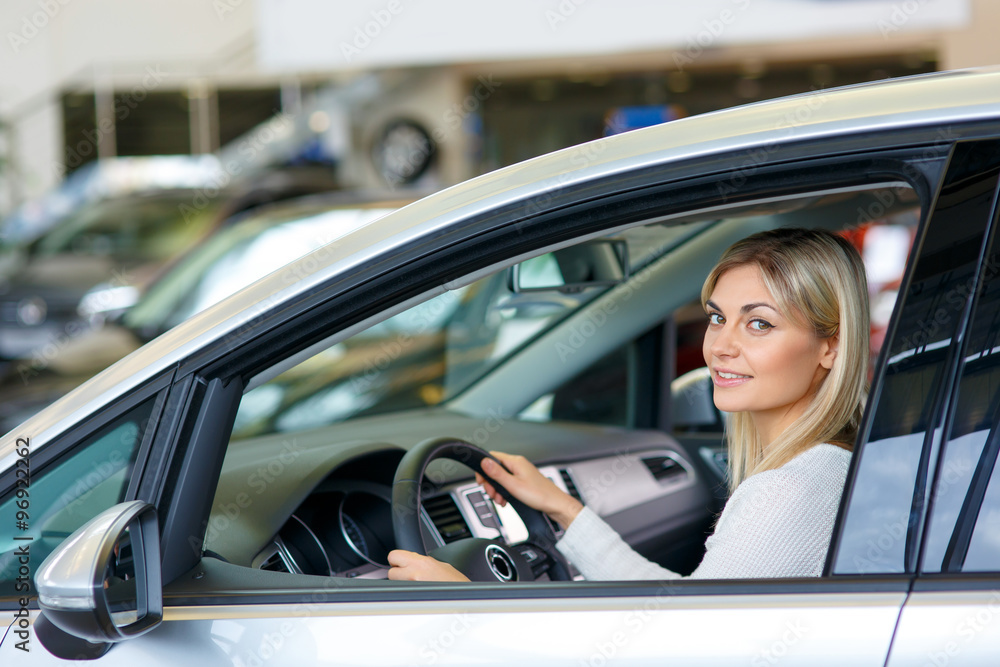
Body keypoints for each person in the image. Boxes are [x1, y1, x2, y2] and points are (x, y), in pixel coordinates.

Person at [387, 227, 869, 581]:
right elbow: (684, 616)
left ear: (831, 346)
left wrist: (465, 602)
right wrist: (562, 507)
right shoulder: (828, 468)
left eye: (759, 323)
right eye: (717, 318)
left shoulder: (786, 493)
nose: (721, 345)